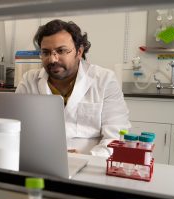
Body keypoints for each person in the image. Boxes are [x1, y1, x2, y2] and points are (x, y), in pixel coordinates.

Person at [16, 19, 130, 157]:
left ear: (79, 52)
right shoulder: (29, 81)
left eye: (61, 51)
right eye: (46, 52)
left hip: (91, 165)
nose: (53, 59)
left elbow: (116, 137)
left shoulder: (104, 80)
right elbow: (15, 130)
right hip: (40, 159)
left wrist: (88, 157)